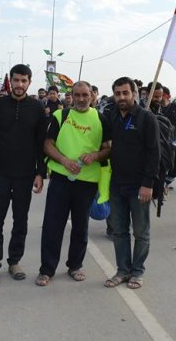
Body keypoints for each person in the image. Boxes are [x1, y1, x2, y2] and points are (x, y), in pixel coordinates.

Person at [36, 81, 110, 286]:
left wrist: (95, 155)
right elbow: (47, 144)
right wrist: (64, 160)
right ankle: (47, 270)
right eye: (77, 95)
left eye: (85, 94)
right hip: (60, 179)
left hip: (87, 182)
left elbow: (108, 148)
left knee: (80, 226)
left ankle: (75, 266)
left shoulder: (101, 119)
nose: (81, 99)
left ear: (92, 96)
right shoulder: (61, 116)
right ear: (71, 96)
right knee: (53, 225)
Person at [0, 64, 46, 285]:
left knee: (21, 220)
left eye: (24, 81)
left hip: (25, 174)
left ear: (29, 82)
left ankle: (14, 261)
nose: (19, 85)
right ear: (11, 81)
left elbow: (40, 143)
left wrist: (40, 173)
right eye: (16, 80)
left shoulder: (37, 108)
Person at [103, 77, 159, 290]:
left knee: (141, 232)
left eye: (125, 93)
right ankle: (122, 271)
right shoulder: (112, 117)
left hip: (139, 186)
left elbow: (154, 153)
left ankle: (137, 272)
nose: (122, 97)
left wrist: (148, 184)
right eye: (118, 93)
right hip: (117, 184)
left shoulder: (146, 118)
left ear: (134, 94)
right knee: (119, 231)